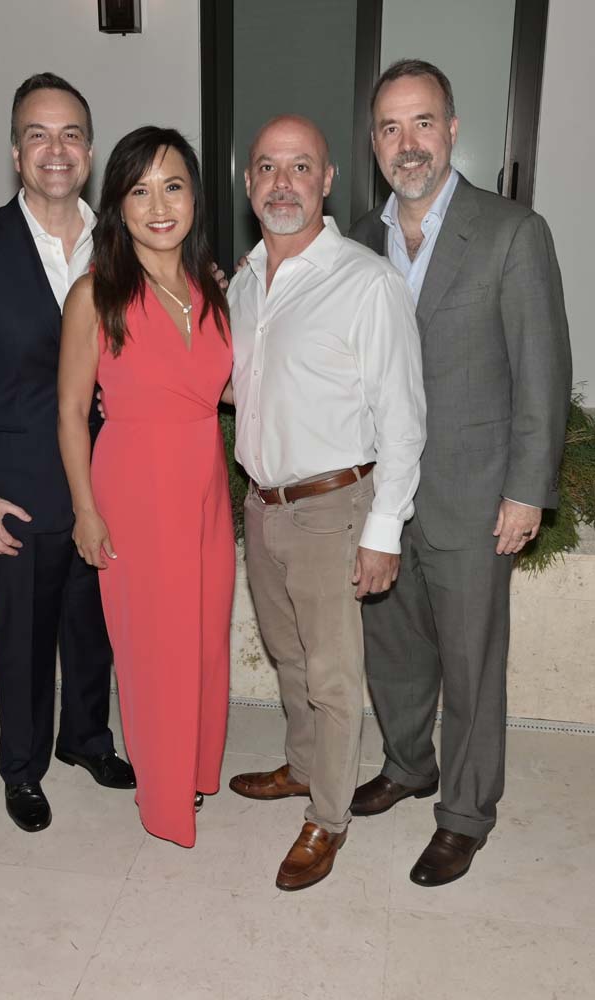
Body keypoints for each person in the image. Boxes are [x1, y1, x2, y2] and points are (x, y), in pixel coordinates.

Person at [349, 59, 572, 886]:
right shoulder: (357, 242)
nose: (408, 144)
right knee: (394, 649)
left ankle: (466, 814)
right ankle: (410, 765)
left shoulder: (512, 231)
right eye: (390, 127)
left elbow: (541, 372)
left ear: (451, 129)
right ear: (373, 142)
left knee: (473, 666)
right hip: (381, 501)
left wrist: (526, 490)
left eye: (422, 123)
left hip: (475, 496)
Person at [0, 73, 134, 835]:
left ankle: (86, 740)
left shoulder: (126, 242)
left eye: (71, 133)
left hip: (107, 482)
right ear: (17, 153)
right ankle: (23, 768)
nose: (56, 149)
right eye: (38, 135)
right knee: (23, 639)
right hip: (14, 491)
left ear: (89, 150)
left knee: (92, 625)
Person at [226, 115, 426, 890]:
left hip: (334, 509)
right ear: (249, 184)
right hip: (261, 506)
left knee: (334, 675)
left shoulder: (366, 281)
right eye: (268, 167)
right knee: (288, 658)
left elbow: (404, 419)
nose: (283, 183)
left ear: (329, 180)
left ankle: (329, 819)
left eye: (300, 167)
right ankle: (305, 769)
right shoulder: (244, 283)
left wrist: (384, 532)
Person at [57, 127, 234, 849]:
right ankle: (164, 802)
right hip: (133, 488)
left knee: (204, 639)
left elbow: (221, 392)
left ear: (195, 196)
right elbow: (71, 411)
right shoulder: (94, 294)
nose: (159, 205)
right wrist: (85, 512)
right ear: (118, 206)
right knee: (154, 650)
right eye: (139, 190)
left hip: (205, 490)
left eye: (173, 186)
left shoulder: (211, 290)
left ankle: (194, 768)